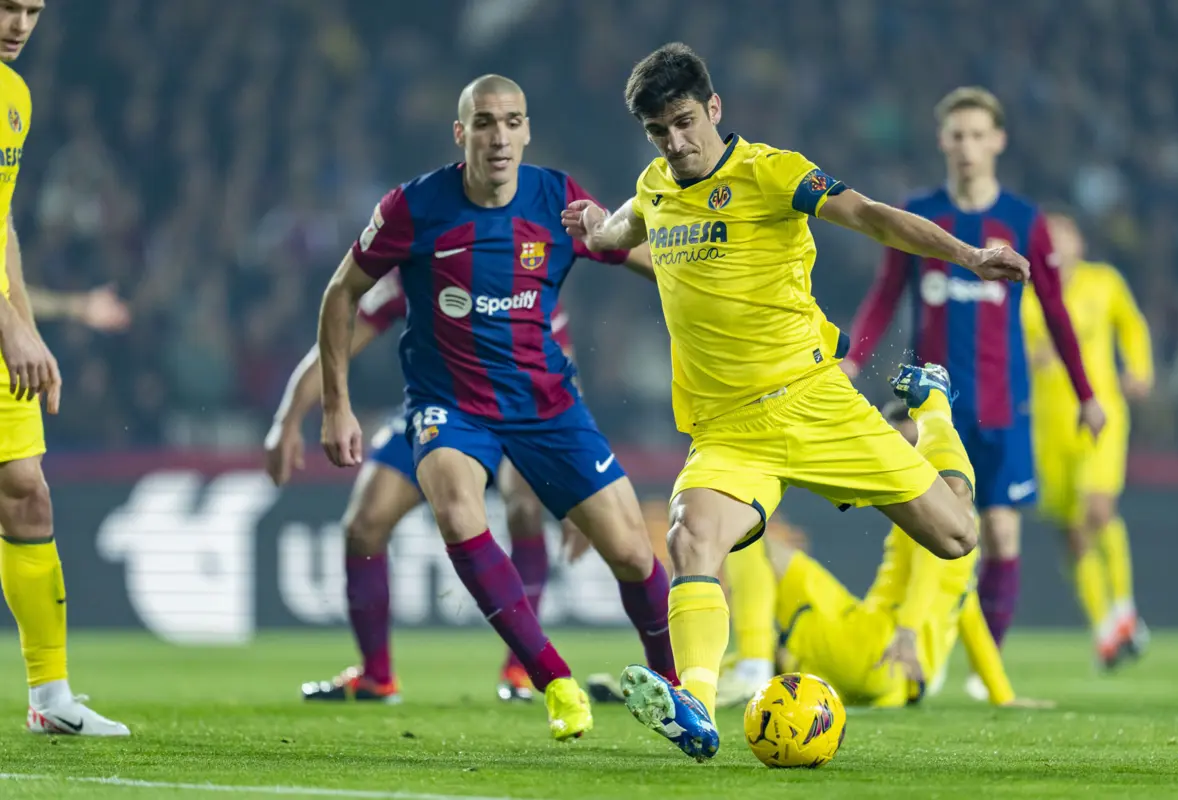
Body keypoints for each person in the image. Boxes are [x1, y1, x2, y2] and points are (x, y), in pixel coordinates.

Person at [563, 42, 1030, 762]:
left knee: (957, 536)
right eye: (660, 131)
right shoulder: (654, 187)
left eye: (686, 122)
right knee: (691, 535)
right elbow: (617, 231)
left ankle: (930, 407)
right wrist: (593, 226)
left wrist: (967, 256)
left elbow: (871, 216)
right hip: (728, 429)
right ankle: (693, 696)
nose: (677, 142)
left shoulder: (772, 171)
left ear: (714, 108)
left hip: (814, 401)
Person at [316, 74, 673, 742]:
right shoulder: (414, 208)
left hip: (546, 404)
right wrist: (335, 406)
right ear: (462, 133)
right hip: (450, 403)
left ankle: (676, 689)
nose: (499, 135)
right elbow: (341, 293)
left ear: (527, 129)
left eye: (512, 121)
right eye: (484, 122)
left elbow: (632, 253)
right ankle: (553, 679)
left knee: (629, 552)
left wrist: (708, 272)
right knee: (454, 505)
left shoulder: (558, 197)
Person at [843, 87, 1105, 681]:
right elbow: (885, 293)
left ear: (998, 141)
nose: (966, 146)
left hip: (1002, 401)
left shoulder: (1023, 221)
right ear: (942, 141)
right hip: (934, 402)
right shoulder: (920, 213)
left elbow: (1057, 313)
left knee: (1004, 537)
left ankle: (984, 669)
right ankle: (922, 649)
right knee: (935, 526)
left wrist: (1087, 395)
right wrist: (854, 360)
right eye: (956, 135)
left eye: (976, 135)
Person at [266, 267, 590, 703]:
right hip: (435, 411)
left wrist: (579, 481)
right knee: (363, 525)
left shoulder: (523, 273)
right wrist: (287, 419)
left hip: (516, 416)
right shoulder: (412, 274)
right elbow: (337, 345)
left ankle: (521, 670)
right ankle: (376, 678)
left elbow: (566, 378)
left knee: (526, 508)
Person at [0, 0, 128, 736]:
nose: (19, 24)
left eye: (33, 10)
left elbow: (2, 222)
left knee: (27, 496)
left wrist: (30, 329)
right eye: (7, 6)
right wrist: (11, 326)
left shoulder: (14, 97)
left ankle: (50, 700)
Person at [769, 399, 1051, 710]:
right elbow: (965, 609)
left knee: (761, 545)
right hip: (903, 685)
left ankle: (763, 659)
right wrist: (1003, 695)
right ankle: (778, 661)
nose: (910, 458)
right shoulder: (964, 522)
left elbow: (927, 572)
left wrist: (907, 632)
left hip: (876, 649)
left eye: (913, 444)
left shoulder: (922, 515)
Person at [1022, 211, 1152, 669]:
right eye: (1047, 239)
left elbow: (1132, 325)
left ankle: (1124, 611)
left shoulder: (1104, 282)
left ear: (1079, 241)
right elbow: (1009, 350)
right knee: (1072, 532)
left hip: (1100, 413)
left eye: (1064, 236)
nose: (1056, 245)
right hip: (1047, 425)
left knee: (1099, 510)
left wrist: (1139, 369)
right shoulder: (1026, 293)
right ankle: (1105, 631)